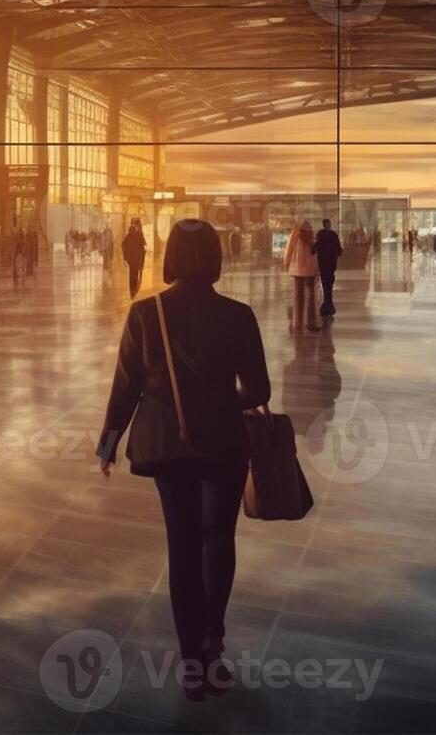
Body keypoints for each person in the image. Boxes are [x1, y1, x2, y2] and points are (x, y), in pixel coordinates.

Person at [97, 218, 270, 701]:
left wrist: (109, 443)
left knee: (184, 543)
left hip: (169, 445)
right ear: (216, 255)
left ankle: (191, 660)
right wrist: (219, 401)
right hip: (224, 442)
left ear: (170, 254)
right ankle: (214, 636)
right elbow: (259, 390)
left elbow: (126, 384)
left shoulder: (145, 312)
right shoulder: (238, 315)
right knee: (219, 537)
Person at [282, 220, 320, 333]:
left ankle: (298, 323)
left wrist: (286, 263)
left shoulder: (295, 236)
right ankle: (310, 323)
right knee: (311, 297)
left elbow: (289, 250)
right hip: (310, 270)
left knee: (299, 298)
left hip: (298, 270)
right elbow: (315, 253)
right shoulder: (311, 239)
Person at [313, 219, 343, 319]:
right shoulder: (333, 235)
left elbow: (315, 247)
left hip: (323, 263)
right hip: (331, 263)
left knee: (325, 283)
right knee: (329, 284)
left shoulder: (320, 234)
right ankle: (329, 304)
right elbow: (339, 251)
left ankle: (326, 305)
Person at [122, 218, 148, 297]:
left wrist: (126, 256)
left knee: (132, 274)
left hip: (131, 260)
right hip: (137, 259)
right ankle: (134, 291)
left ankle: (132, 291)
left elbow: (123, 245)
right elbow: (142, 245)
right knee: (136, 274)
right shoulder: (138, 235)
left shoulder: (129, 236)